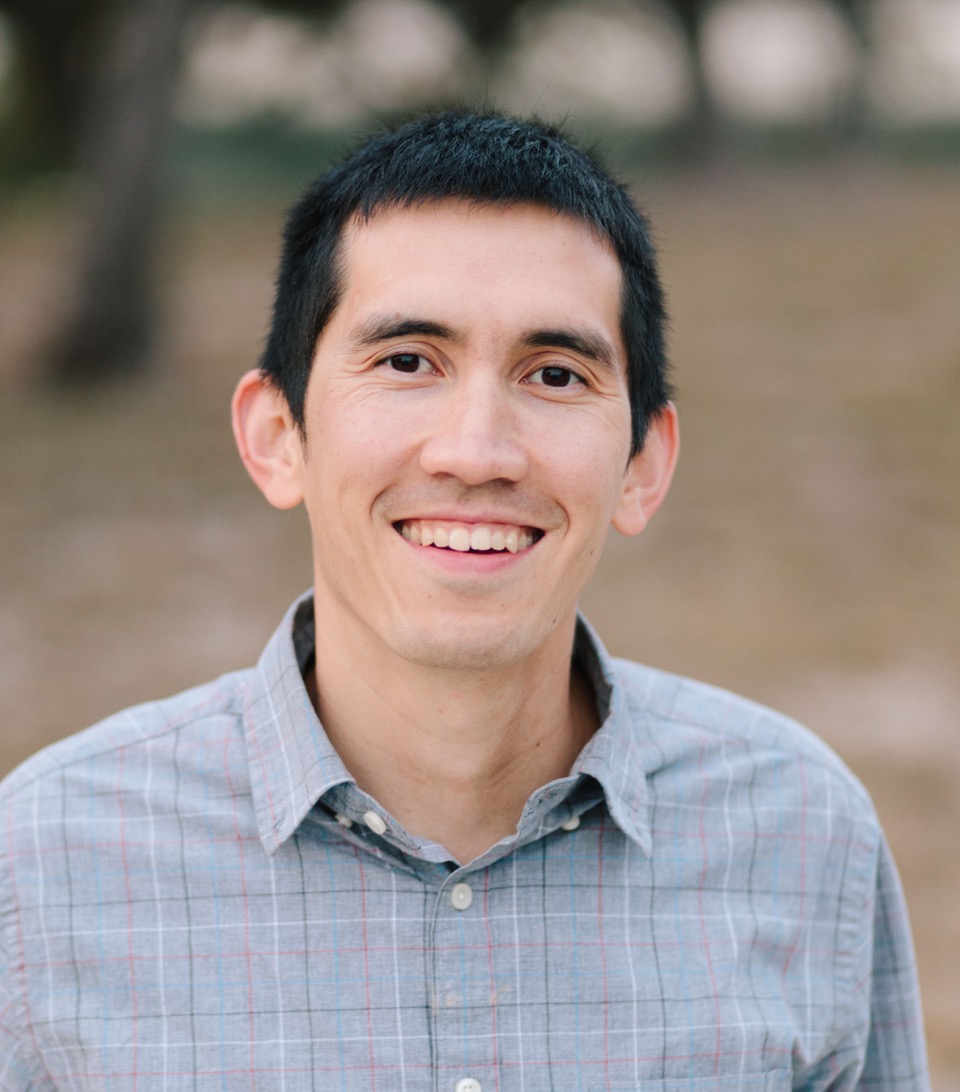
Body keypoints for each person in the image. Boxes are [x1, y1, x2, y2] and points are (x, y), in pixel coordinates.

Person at [0, 111, 928, 1090]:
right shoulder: (44, 865)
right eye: (407, 361)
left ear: (644, 466)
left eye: (555, 374)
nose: (478, 451)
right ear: (279, 435)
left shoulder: (802, 832)